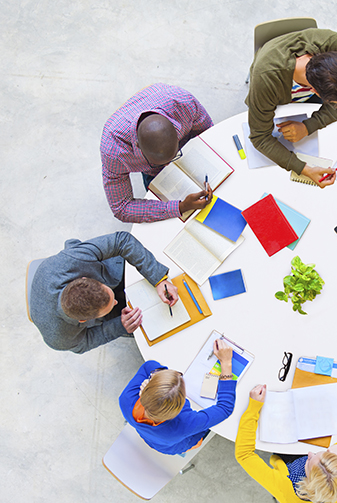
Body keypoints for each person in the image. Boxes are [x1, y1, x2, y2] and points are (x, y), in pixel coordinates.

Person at [246, 29, 337, 187]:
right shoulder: (266, 79)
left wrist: (309, 126)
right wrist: (303, 169)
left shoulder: (335, 45)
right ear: (314, 91)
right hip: (274, 87)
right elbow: (260, 138)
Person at [30, 232, 178, 354]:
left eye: (111, 299)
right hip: (101, 318)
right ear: (83, 321)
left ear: (84, 278)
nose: (116, 303)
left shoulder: (73, 259)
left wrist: (159, 278)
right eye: (112, 304)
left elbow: (121, 240)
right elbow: (84, 342)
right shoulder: (59, 338)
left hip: (109, 273)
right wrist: (120, 325)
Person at [235, 385, 337, 503]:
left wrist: (253, 408)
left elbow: (244, 455)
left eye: (309, 461)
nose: (310, 453)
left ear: (308, 482)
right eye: (324, 453)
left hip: (287, 457)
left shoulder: (284, 488)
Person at [101, 83, 214, 223]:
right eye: (158, 163)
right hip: (153, 174)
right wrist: (180, 207)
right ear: (138, 146)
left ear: (176, 128)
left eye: (173, 156)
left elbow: (209, 135)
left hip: (188, 151)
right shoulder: (114, 150)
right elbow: (121, 207)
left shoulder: (184, 104)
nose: (169, 166)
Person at [119, 340, 236, 455]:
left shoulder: (126, 399)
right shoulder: (185, 423)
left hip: (152, 439)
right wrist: (226, 363)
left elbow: (147, 366)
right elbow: (225, 408)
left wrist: (157, 376)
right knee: (204, 429)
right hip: (179, 444)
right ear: (182, 405)